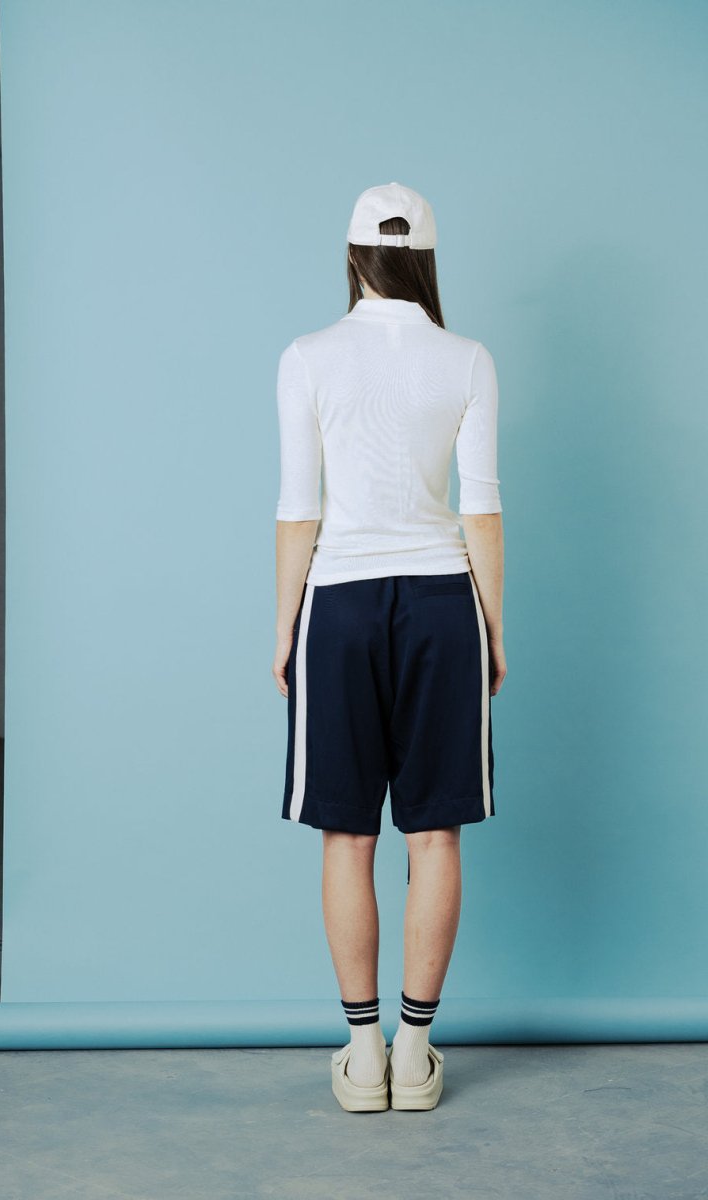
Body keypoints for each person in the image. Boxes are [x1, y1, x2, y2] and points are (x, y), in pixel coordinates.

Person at [272, 181, 507, 1113]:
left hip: (338, 601)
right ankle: (416, 1052)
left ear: (353, 254)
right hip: (445, 601)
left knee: (348, 832)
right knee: (436, 831)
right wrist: (494, 626)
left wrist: (284, 627)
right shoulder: (468, 359)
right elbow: (481, 509)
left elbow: (299, 510)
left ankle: (363, 1053)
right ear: (426, 258)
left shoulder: (307, 356)